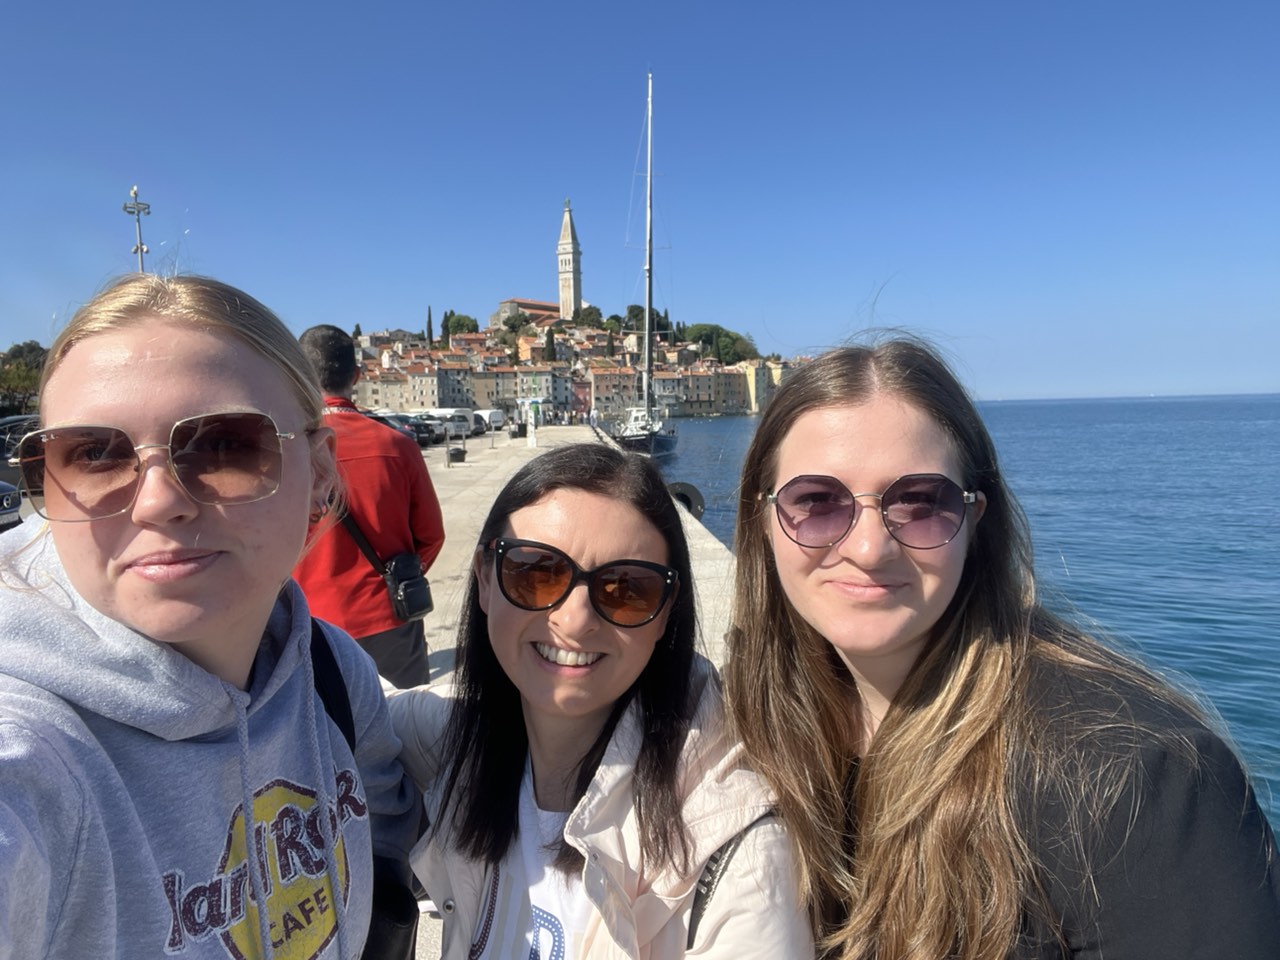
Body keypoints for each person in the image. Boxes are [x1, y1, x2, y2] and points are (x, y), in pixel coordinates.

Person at [725, 338, 1280, 959]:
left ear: (975, 521)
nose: (869, 548)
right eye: (817, 503)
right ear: (762, 519)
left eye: (920, 502)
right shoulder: (754, 725)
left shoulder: (1137, 780)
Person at [0, 275, 418, 958]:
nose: (157, 502)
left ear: (319, 471)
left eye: (224, 445)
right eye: (95, 454)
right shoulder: (31, 759)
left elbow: (392, 827)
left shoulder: (332, 673)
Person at [387, 443, 812, 958]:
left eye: (626, 589)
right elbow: (350, 700)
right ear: (484, 579)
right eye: (536, 573)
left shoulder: (744, 861)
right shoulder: (459, 740)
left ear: (665, 612)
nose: (575, 620)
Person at [293, 324, 445, 688]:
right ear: (357, 376)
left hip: (308, 621)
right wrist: (396, 579)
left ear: (298, 374)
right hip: (389, 619)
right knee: (402, 720)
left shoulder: (283, 450)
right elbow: (431, 536)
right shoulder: (398, 446)